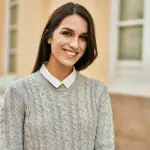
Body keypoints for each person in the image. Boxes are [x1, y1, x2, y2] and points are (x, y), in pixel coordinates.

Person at [0, 2, 115, 150]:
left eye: (83, 37)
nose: (75, 44)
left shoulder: (98, 92)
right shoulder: (19, 92)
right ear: (49, 36)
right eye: (67, 33)